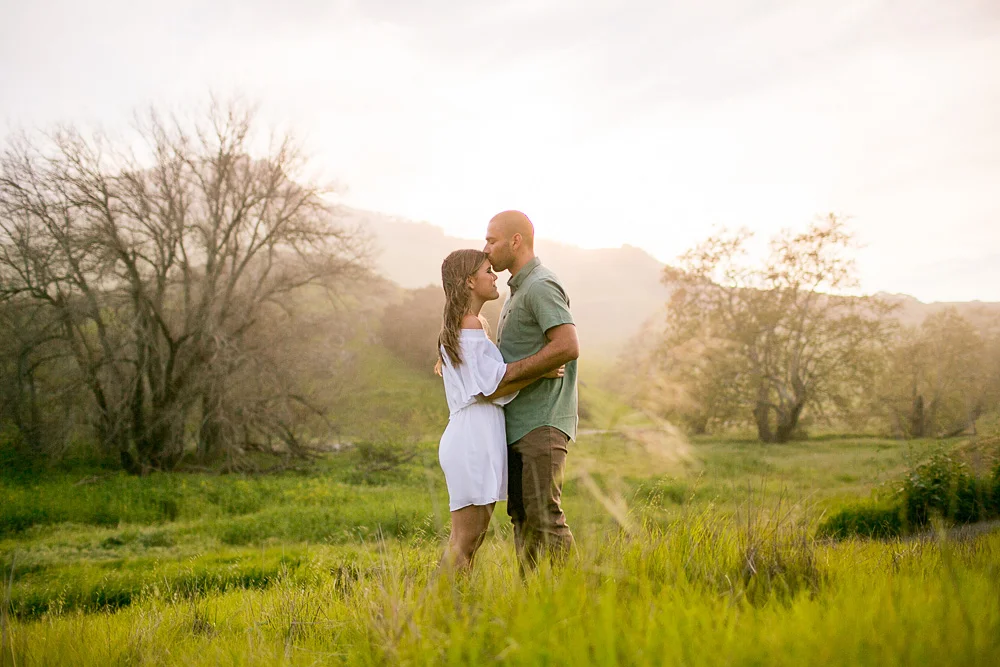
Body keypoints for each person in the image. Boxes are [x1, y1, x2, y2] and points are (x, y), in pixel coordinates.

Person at [436, 249, 563, 570]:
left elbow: (487, 384)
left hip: (474, 436)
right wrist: (540, 369)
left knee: (468, 541)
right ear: (469, 282)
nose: (495, 277)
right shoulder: (468, 324)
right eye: (488, 271)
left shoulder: (467, 324)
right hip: (472, 439)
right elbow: (489, 387)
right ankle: (436, 609)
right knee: (465, 542)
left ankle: (449, 610)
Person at [484, 210, 580, 568]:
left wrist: (510, 374)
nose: (486, 248)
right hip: (518, 423)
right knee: (522, 518)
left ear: (516, 240)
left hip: (543, 422)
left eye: (492, 240)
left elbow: (567, 345)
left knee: (545, 516)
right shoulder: (516, 291)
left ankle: (575, 600)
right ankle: (532, 605)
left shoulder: (541, 284)